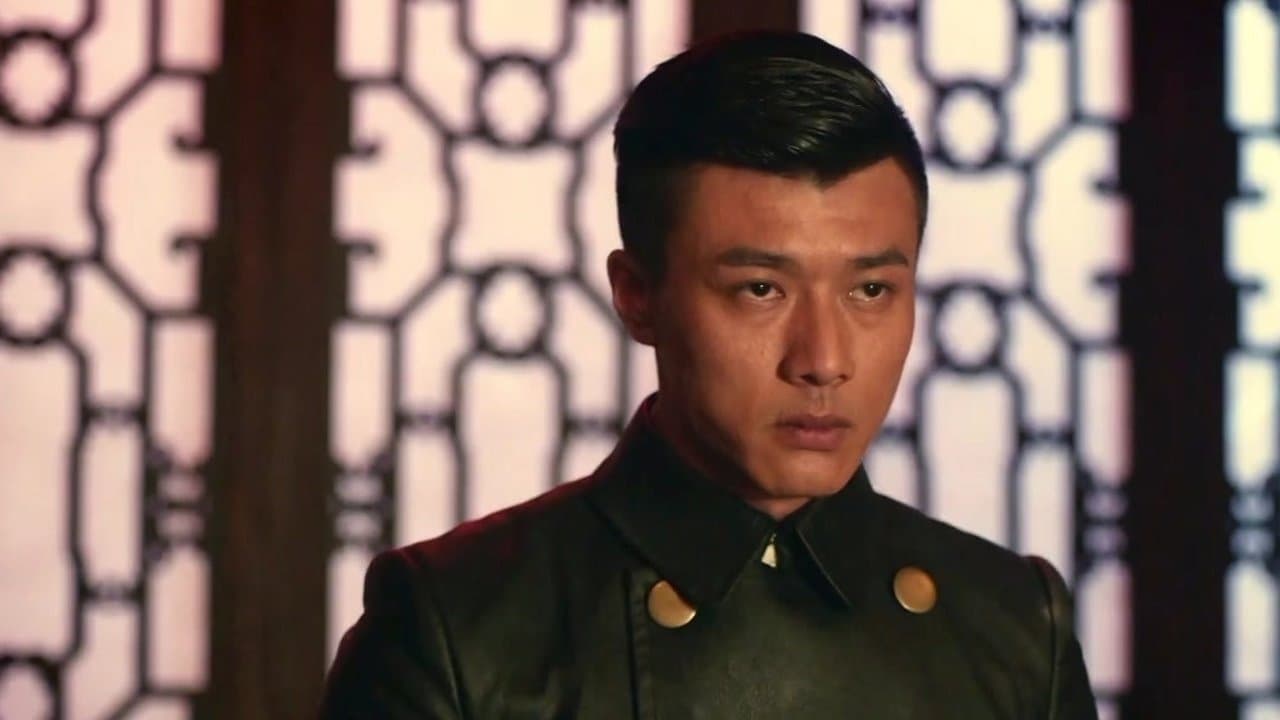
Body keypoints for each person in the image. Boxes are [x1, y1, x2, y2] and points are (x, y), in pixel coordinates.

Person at [320, 30, 1097, 719]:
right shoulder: (455, 630)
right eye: (761, 289)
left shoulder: (1014, 627)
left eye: (870, 291)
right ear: (638, 296)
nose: (824, 360)